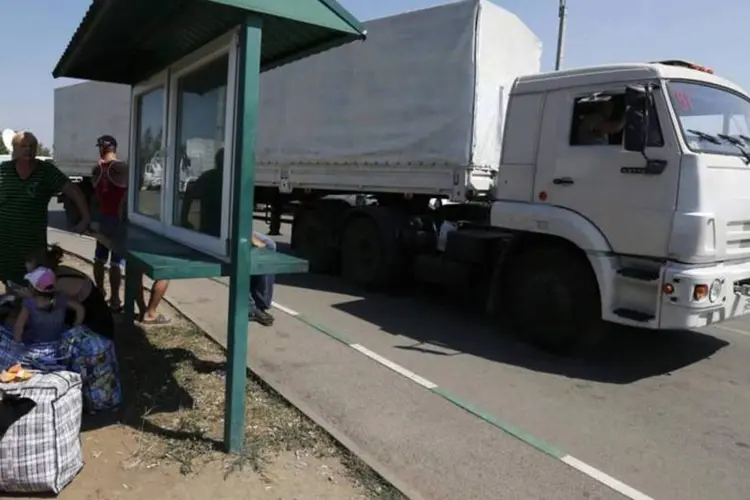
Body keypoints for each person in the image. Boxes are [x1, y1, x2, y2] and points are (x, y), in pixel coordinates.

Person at [181, 148, 277, 326]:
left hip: (209, 231)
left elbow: (188, 196)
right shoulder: (230, 181)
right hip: (224, 234)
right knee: (262, 250)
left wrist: (184, 221)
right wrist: (250, 239)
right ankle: (255, 304)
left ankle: (257, 303)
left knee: (266, 244)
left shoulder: (207, 177)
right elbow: (236, 217)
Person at [91, 135, 171, 325]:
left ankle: (101, 293)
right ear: (115, 148)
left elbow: (96, 195)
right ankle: (117, 300)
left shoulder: (96, 169)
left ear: (100, 148)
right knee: (117, 262)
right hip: (117, 219)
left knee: (100, 258)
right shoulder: (120, 168)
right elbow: (131, 192)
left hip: (103, 216)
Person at [0, 131, 90, 286]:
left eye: (32, 146)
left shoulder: (46, 171)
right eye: (23, 146)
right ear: (14, 149)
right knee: (11, 289)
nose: (28, 149)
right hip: (5, 244)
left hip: (32, 245)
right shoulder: (4, 170)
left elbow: (74, 191)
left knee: (36, 287)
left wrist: (85, 218)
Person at [26, 245, 114, 339]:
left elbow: (43, 303)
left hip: (96, 326)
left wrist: (73, 333)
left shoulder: (58, 283)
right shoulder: (56, 273)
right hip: (87, 315)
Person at [14, 267, 84, 345]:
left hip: (35, 343)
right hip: (57, 341)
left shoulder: (29, 303)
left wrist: (18, 344)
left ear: (33, 288)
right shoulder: (61, 299)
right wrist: (75, 328)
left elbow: (19, 327)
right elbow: (80, 309)